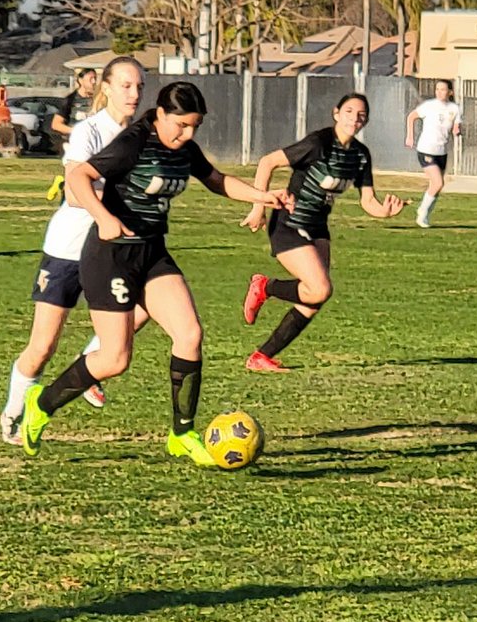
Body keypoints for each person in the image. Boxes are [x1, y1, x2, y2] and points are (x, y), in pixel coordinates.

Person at [20, 80, 293, 464]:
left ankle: (182, 434)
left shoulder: (186, 149)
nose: (187, 134)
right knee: (115, 359)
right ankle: (41, 403)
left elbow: (216, 180)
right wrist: (104, 218)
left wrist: (262, 196)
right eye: (181, 125)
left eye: (195, 126)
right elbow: (79, 177)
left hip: (152, 253)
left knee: (189, 334)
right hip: (111, 256)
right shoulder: (134, 142)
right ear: (161, 114)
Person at [0, 57, 149, 444]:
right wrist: (109, 206)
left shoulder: (140, 136)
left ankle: (90, 367)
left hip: (112, 249)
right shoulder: (88, 132)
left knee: (148, 305)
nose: (134, 94)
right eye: (126, 85)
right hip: (68, 249)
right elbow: (73, 190)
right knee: (44, 345)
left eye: (139, 87)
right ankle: (15, 412)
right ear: (107, 87)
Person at [240, 92, 404, 371]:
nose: (355, 117)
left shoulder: (361, 156)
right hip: (289, 223)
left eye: (361, 114)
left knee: (314, 298)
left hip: (318, 228)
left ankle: (261, 357)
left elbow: (368, 201)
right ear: (336, 113)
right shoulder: (318, 143)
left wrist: (385, 212)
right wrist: (259, 207)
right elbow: (267, 162)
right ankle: (265, 286)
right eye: (349, 111)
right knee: (320, 288)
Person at [405, 80, 463, 228]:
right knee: (438, 183)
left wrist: (457, 131)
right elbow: (411, 116)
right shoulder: (429, 106)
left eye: (443, 89)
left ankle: (425, 216)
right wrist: (410, 136)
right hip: (426, 149)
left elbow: (456, 125)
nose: (439, 92)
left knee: (436, 186)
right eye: (437, 89)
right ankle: (422, 212)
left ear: (450, 92)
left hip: (441, 151)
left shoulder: (454, 108)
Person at [48, 67, 98, 145]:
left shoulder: (98, 99)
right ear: (81, 80)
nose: (94, 81)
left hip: (94, 142)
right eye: (90, 79)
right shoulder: (70, 100)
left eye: (95, 78)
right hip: (76, 143)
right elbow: (56, 125)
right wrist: (76, 130)